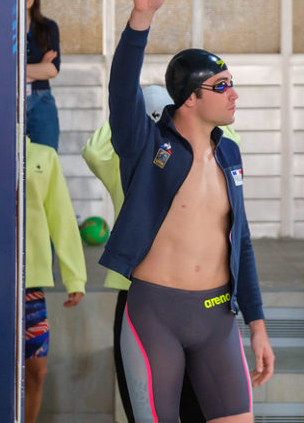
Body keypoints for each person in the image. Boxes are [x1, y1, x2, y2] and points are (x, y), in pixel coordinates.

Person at [99, 0, 274, 422]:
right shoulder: (146, 145)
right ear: (190, 99)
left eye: (232, 82)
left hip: (217, 317)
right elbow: (121, 90)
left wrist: (257, 324)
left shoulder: (228, 153)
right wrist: (140, 17)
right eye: (221, 86)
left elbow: (242, 245)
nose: (232, 92)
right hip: (156, 314)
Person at [82, 85, 241, 423]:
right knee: (197, 404)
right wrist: (192, 111)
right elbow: (230, 135)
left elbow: (93, 151)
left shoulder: (122, 166)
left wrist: (127, 112)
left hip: (137, 295)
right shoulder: (201, 158)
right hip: (178, 297)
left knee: (147, 406)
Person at [24, 138, 87, 423]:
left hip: (30, 285)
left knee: (37, 371)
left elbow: (60, 215)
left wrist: (74, 276)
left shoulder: (43, 155)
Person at [25, 0, 61, 149]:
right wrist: (39, 68)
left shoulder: (48, 27)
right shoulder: (0, 27)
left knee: (46, 161)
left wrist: (18, 72)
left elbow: (52, 70)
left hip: (42, 100)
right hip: (11, 102)